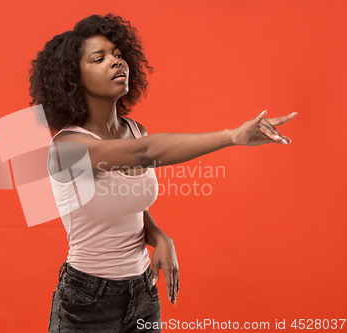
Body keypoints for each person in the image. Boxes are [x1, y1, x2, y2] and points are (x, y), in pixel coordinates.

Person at [28, 13, 296, 333]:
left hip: (142, 292)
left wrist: (158, 236)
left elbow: (130, 205)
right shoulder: (66, 148)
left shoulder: (134, 129)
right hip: (87, 301)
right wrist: (231, 137)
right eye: (99, 58)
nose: (116, 62)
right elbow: (146, 154)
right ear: (73, 77)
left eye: (117, 54)